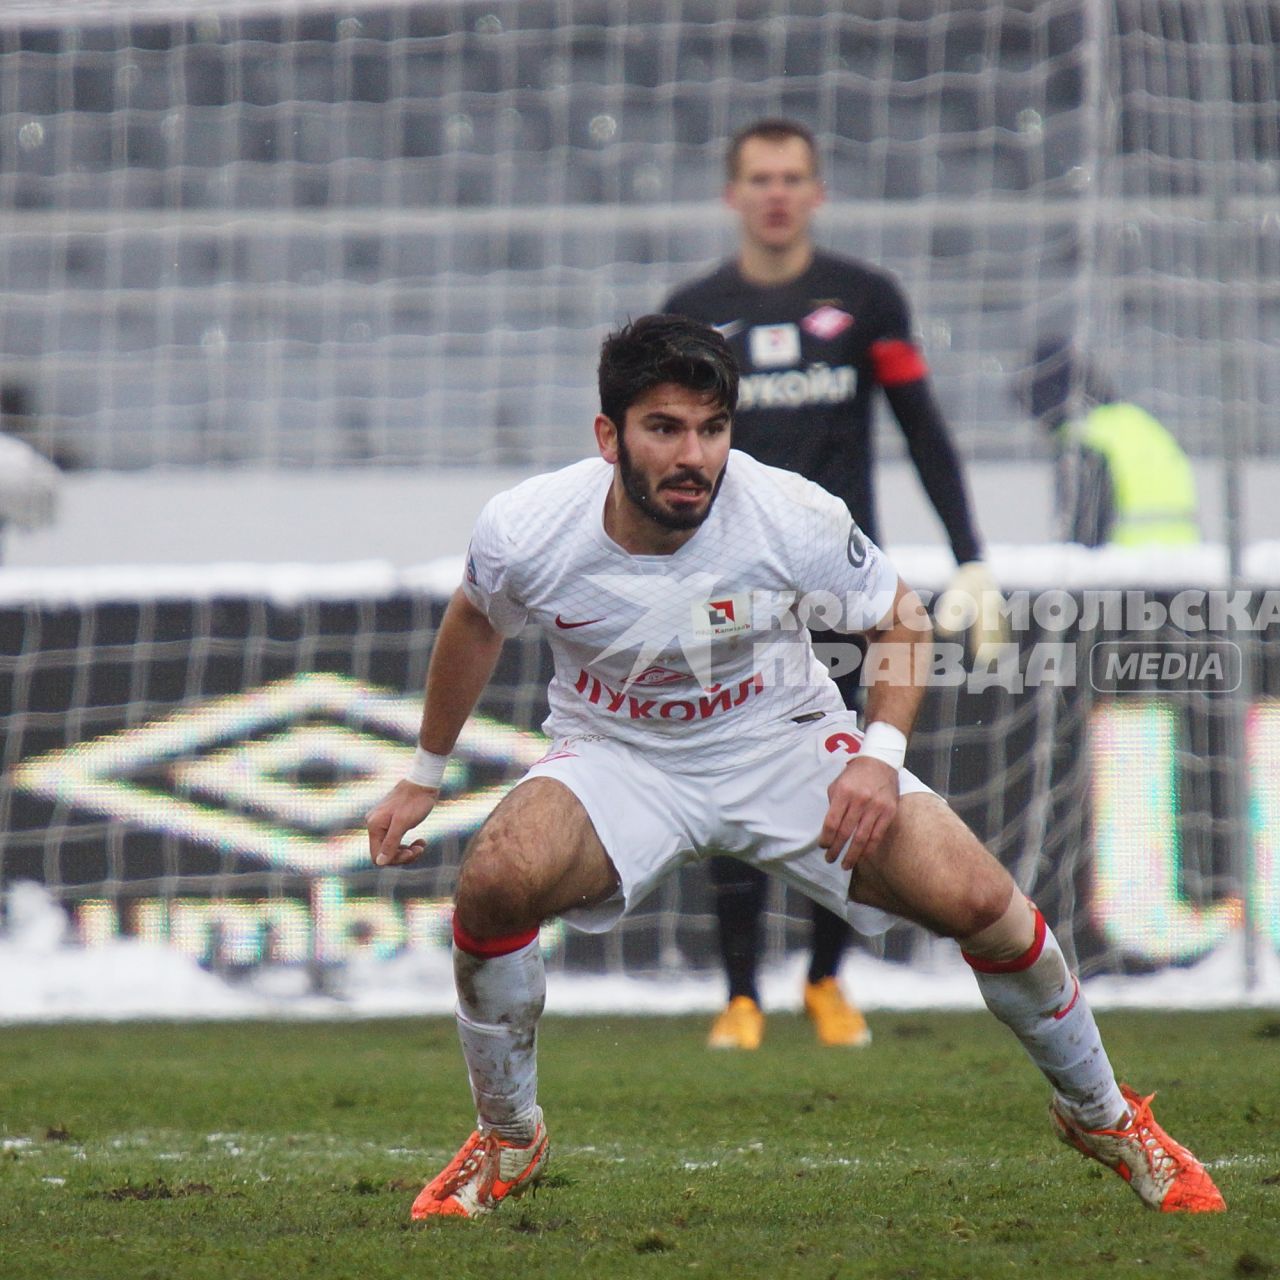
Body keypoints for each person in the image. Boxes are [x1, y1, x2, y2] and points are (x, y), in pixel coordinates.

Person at [365, 315, 1224, 1221]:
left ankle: (1103, 1116)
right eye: (665, 428)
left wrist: (880, 758)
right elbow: (475, 618)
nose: (695, 454)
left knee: (984, 905)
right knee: (494, 883)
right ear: (609, 437)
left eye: (713, 427)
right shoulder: (527, 527)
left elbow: (900, 621)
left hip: (783, 740)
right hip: (617, 757)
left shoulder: (788, 513)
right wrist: (426, 770)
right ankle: (508, 1136)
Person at [661, 118, 1003, 1051]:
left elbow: (922, 428)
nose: (777, 193)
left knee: (840, 778)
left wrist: (970, 554)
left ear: (817, 192)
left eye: (793, 177)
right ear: (734, 196)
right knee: (727, 775)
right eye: (760, 178)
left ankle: (823, 980)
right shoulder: (694, 312)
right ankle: (739, 994)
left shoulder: (866, 300)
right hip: (723, 592)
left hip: (841, 584)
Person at [1016, 337, 1201, 548]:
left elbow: (1083, 541)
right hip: (1182, 567)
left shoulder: (1084, 443)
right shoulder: (1143, 425)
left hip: (1123, 570)